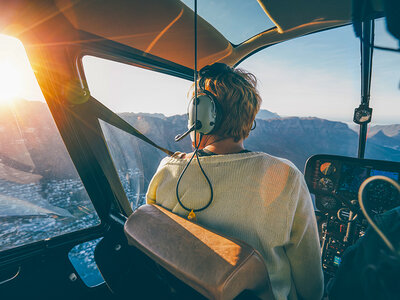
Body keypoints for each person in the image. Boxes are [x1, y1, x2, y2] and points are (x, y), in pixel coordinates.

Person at [146, 63, 323, 300]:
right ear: (249, 121)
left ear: (199, 116)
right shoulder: (285, 175)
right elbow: (309, 278)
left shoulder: (167, 171)